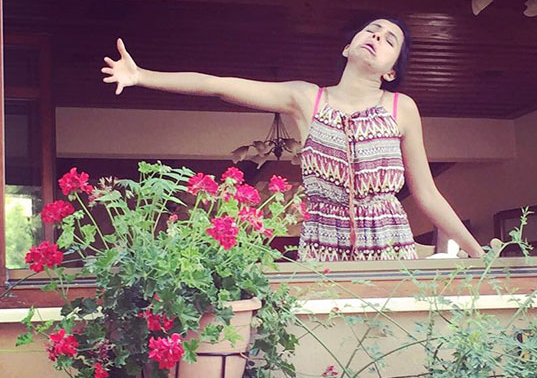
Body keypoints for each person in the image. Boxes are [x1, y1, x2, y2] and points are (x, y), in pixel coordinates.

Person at [101, 17, 485, 261]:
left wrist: (477, 254)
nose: (376, 37)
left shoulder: (402, 108)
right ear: (347, 47)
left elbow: (427, 193)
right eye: (372, 30)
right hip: (323, 246)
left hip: (390, 246)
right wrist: (142, 76)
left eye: (389, 40)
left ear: (391, 71)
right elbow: (218, 85)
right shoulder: (306, 99)